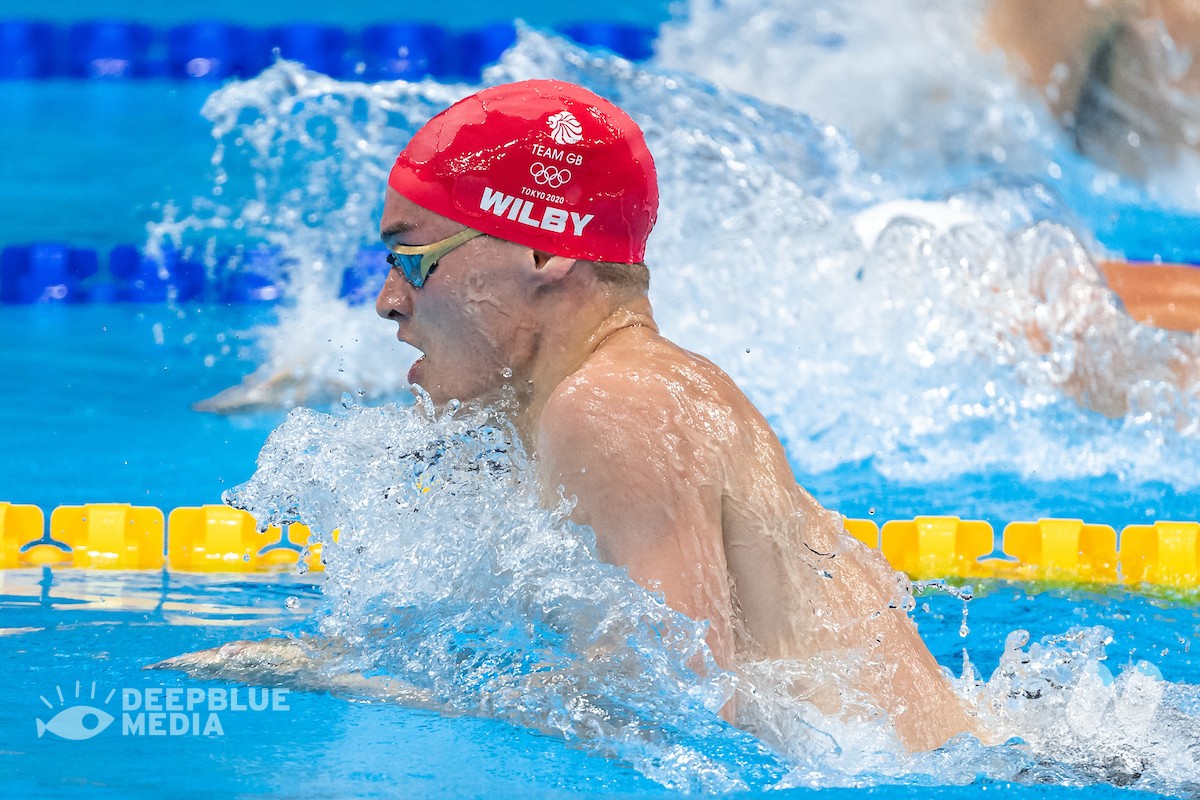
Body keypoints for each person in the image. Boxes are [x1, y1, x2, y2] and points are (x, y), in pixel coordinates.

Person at [159, 80, 980, 752]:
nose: (387, 302)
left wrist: (354, 682)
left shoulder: (611, 404)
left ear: (545, 254)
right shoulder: (619, 393)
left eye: (414, 258)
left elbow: (688, 710)